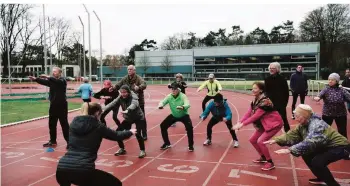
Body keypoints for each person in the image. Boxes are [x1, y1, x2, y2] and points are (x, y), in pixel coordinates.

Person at [265, 104, 350, 186]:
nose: (296, 119)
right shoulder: (303, 124)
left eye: (298, 116)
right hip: (327, 145)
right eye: (295, 116)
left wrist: (290, 150)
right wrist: (276, 140)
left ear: (305, 116)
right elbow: (292, 134)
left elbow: (311, 142)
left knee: (318, 162)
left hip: (341, 147)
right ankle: (321, 176)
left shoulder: (316, 125)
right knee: (306, 153)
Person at [56, 102, 136, 186]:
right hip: (83, 170)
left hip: (61, 169)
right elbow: (116, 135)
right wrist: (130, 132)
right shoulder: (98, 126)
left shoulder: (73, 124)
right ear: (97, 113)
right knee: (116, 184)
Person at [232, 81, 283, 171]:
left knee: (260, 141)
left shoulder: (265, 101)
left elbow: (256, 116)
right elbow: (249, 113)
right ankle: (263, 157)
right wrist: (239, 122)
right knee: (253, 140)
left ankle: (270, 162)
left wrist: (242, 125)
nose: (253, 90)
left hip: (274, 124)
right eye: (252, 88)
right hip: (264, 124)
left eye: (255, 88)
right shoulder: (255, 99)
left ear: (261, 90)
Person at [28, 67, 69, 149]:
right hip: (53, 105)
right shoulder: (52, 81)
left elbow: (56, 81)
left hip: (62, 105)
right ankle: (53, 141)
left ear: (60, 73)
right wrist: (36, 79)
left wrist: (47, 76)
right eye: (53, 71)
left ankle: (69, 142)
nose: (53, 73)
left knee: (64, 124)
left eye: (55, 71)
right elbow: (44, 82)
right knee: (52, 124)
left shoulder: (62, 80)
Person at [103, 85, 146, 158]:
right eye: (121, 92)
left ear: (128, 92)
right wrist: (103, 109)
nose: (123, 94)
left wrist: (127, 110)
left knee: (137, 133)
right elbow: (113, 103)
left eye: (125, 92)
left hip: (138, 118)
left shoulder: (134, 96)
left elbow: (134, 104)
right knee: (117, 132)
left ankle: (142, 150)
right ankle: (122, 149)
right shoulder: (120, 97)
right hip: (128, 118)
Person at [110, 65, 148, 140]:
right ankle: (128, 133)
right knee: (128, 118)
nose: (129, 70)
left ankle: (144, 134)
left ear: (134, 70)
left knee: (141, 119)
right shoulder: (125, 78)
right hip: (128, 102)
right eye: (128, 69)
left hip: (139, 102)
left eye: (131, 69)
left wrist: (138, 87)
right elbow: (119, 84)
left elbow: (144, 84)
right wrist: (113, 88)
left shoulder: (138, 78)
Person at [158, 82, 194, 152]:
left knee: (189, 128)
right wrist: (161, 105)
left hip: (184, 115)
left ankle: (191, 145)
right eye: (172, 89)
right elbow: (163, 101)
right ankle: (167, 143)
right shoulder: (169, 96)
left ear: (178, 89)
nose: (173, 91)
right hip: (174, 115)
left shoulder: (183, 96)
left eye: (175, 89)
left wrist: (183, 107)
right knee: (162, 126)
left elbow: (187, 104)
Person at [314, 73, 350, 139]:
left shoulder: (341, 90)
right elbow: (319, 95)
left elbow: (349, 97)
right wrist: (317, 98)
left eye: (332, 80)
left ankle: (344, 146)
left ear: (337, 81)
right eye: (329, 79)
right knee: (325, 131)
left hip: (340, 114)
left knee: (342, 131)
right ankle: (323, 145)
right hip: (327, 114)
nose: (330, 81)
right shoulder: (326, 89)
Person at [264, 62, 290, 132]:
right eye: (270, 68)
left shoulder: (282, 79)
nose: (271, 70)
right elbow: (265, 92)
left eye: (273, 68)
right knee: (269, 120)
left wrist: (285, 103)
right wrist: (267, 100)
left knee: (284, 118)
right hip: (270, 103)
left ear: (277, 69)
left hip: (281, 104)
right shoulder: (267, 79)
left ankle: (288, 134)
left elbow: (286, 92)